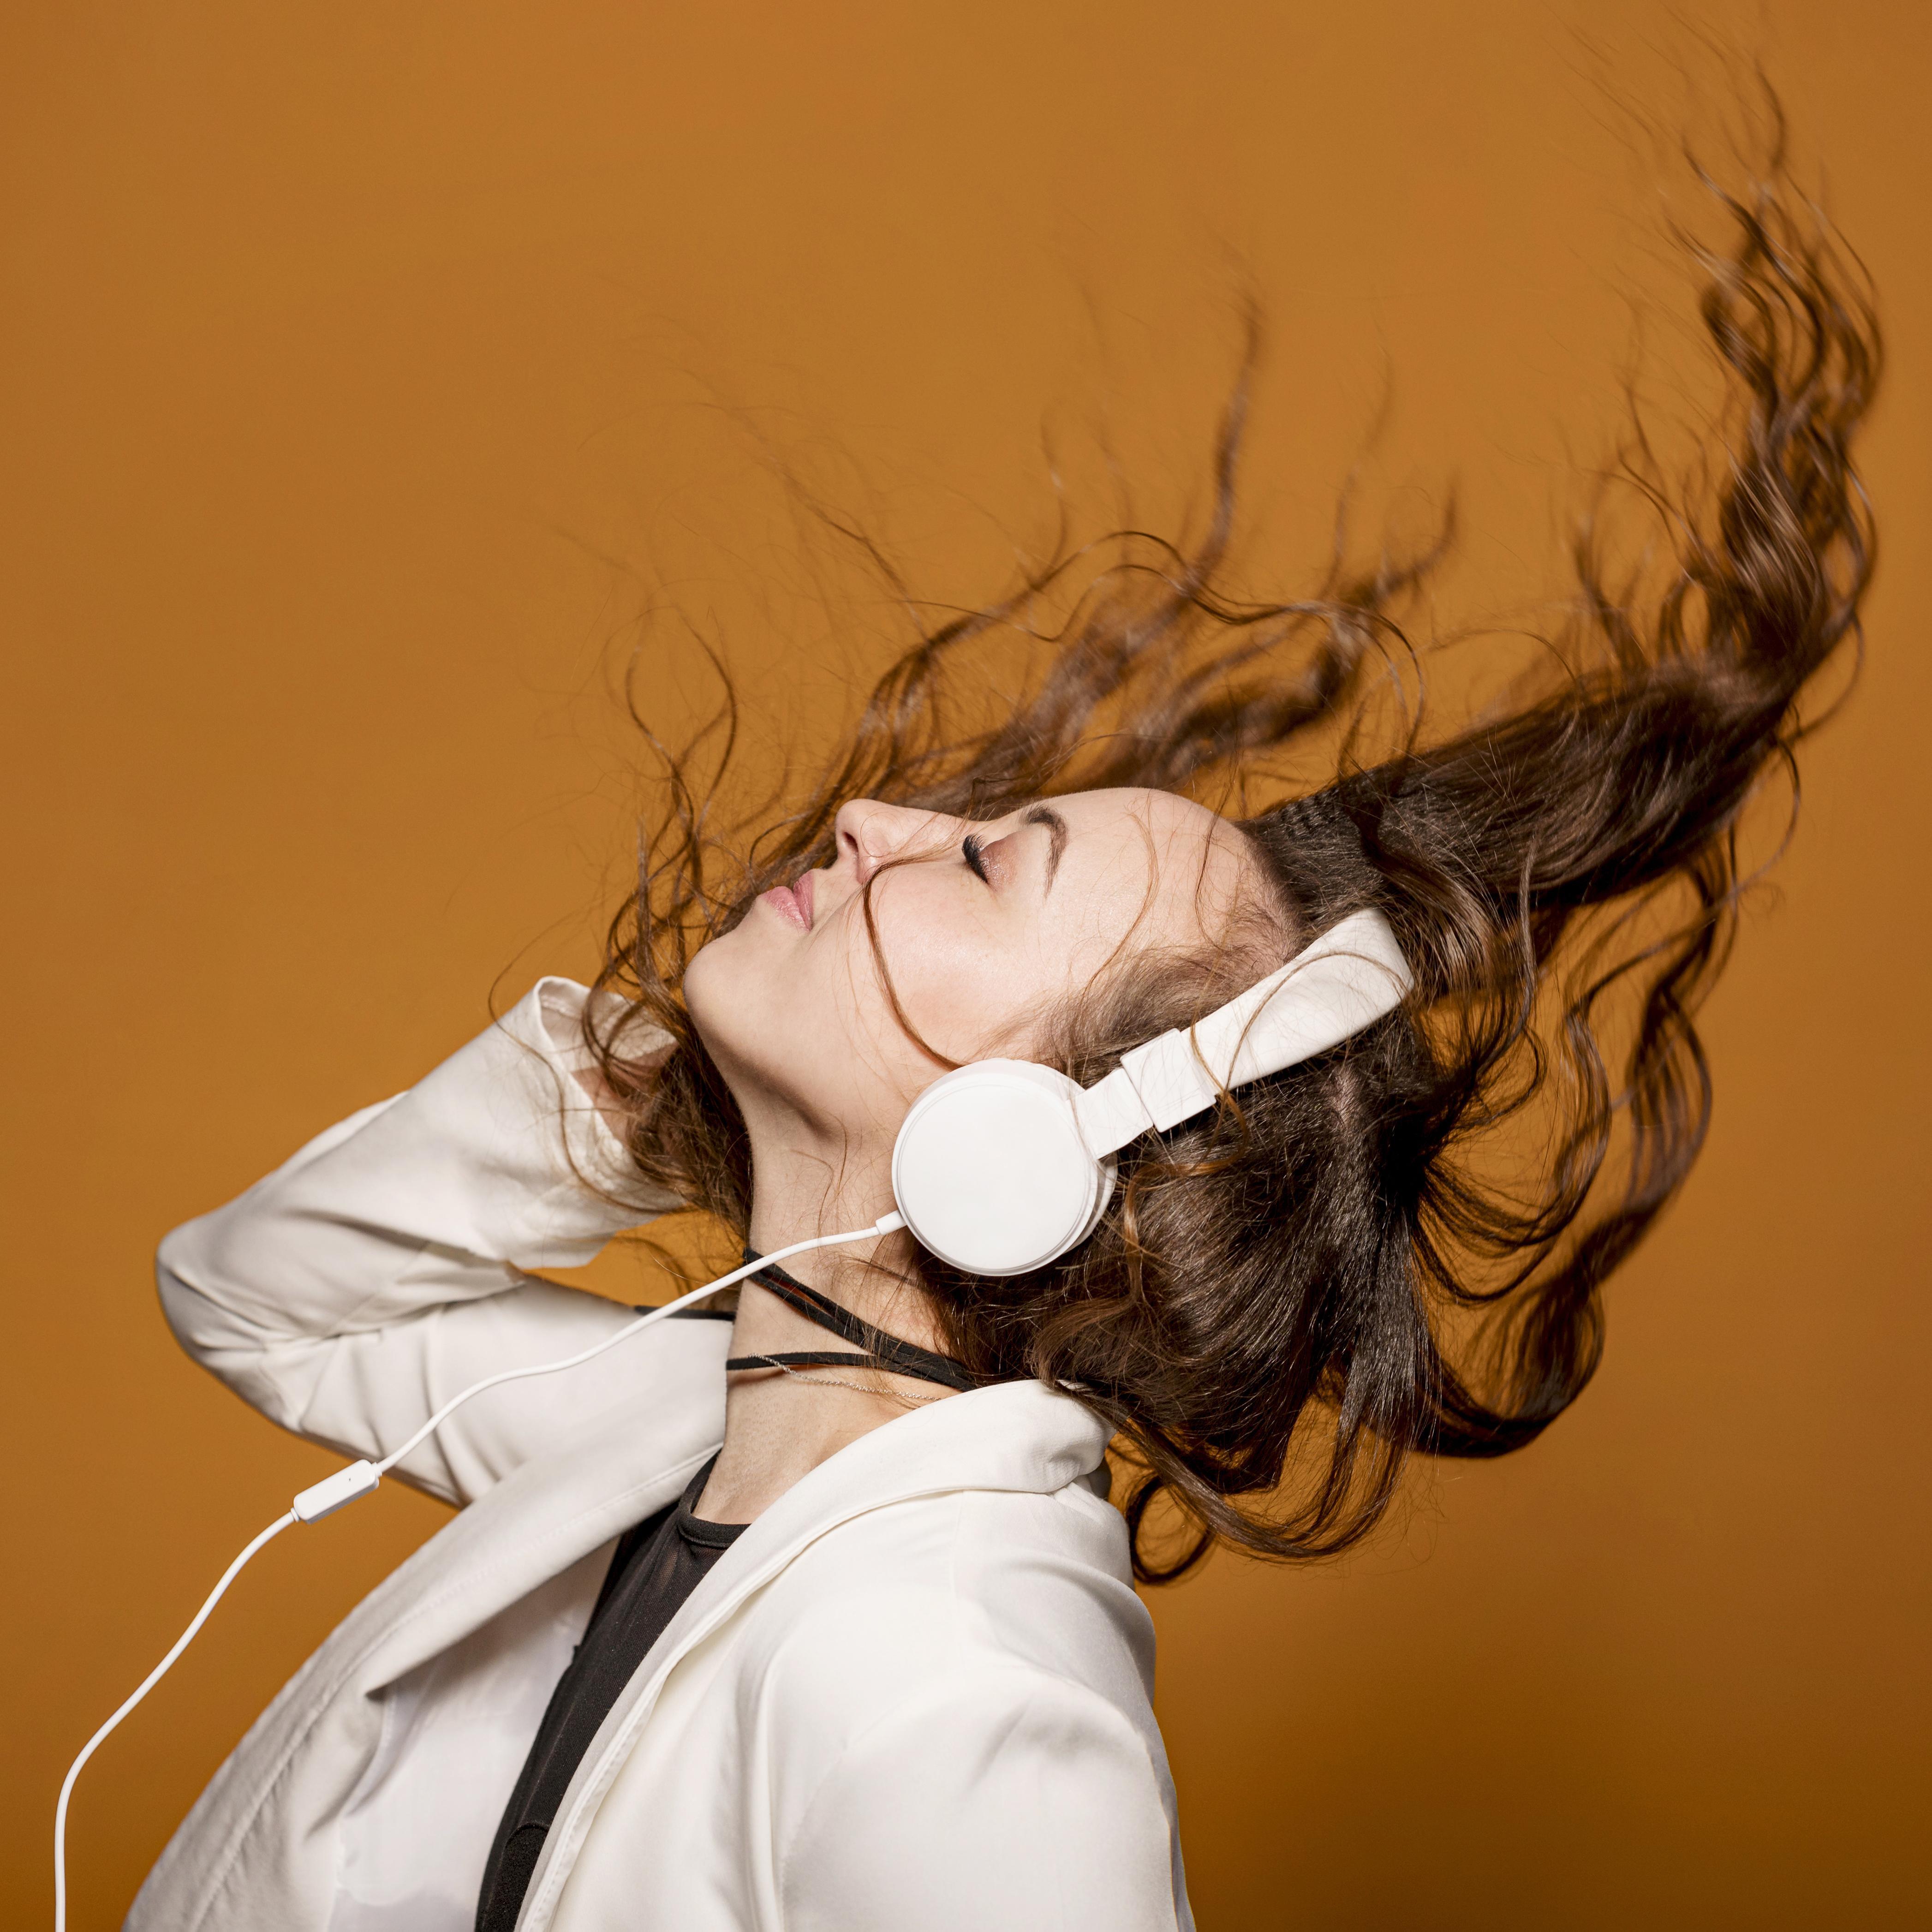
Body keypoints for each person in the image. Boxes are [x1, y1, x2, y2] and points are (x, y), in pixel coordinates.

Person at [126, 132, 1877, 1932]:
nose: (878, 825)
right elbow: (266, 1295)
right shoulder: (676, 1431)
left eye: (984, 869)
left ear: (1036, 1146)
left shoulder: (964, 1692)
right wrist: (684, 1070)